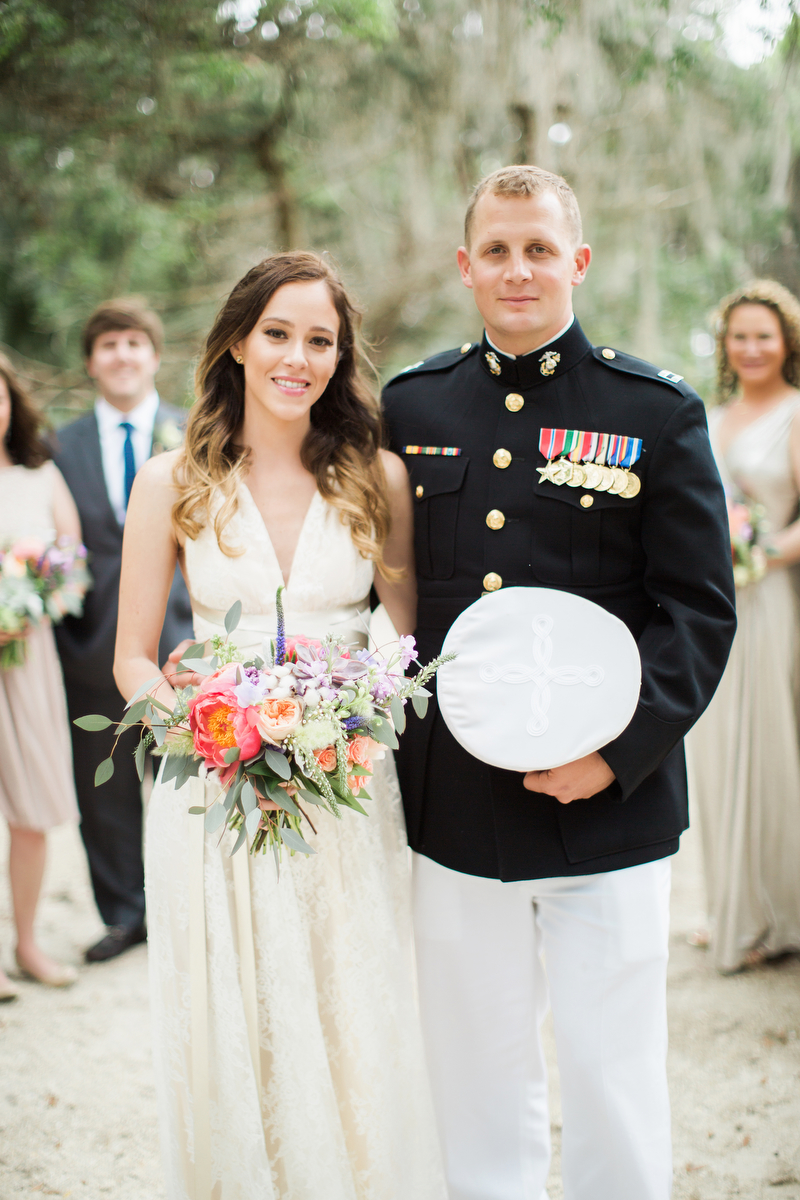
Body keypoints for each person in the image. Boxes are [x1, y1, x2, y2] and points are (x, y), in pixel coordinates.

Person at [380, 165, 737, 1200]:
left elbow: (696, 612)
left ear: (576, 261)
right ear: (463, 267)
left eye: (538, 247)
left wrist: (613, 757)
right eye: (495, 249)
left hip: (608, 816)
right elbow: (390, 598)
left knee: (610, 1074)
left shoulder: (654, 412)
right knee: (475, 1081)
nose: (517, 268)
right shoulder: (411, 405)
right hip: (457, 812)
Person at [114, 252, 447, 1199]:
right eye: (278, 334)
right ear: (235, 342)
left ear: (341, 360)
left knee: (348, 999)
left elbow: (404, 630)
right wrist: (202, 721)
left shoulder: (374, 476)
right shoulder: (168, 481)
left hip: (343, 778)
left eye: (320, 341)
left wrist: (358, 710)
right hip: (215, 784)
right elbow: (134, 657)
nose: (297, 357)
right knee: (237, 1005)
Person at [52, 298, 193, 964]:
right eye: (108, 344)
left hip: (186, 644)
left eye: (134, 342)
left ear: (154, 355)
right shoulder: (59, 446)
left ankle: (187, 909)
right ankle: (124, 915)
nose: (123, 355)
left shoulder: (198, 433)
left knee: (190, 779)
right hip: (91, 649)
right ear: (91, 362)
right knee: (103, 792)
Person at [687, 280, 800, 974]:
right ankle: (731, 904)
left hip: (770, 598)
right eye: (740, 336)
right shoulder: (709, 415)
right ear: (725, 345)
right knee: (717, 747)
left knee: (769, 744)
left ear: (786, 340)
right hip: (712, 604)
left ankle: (777, 910)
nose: (752, 347)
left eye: (765, 334)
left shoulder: (795, 414)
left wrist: (754, 553)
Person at [0, 353, 83, 998]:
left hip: (26, 661)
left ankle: (27, 944)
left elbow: (71, 565)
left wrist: (33, 605)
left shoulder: (41, 476)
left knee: (30, 813)